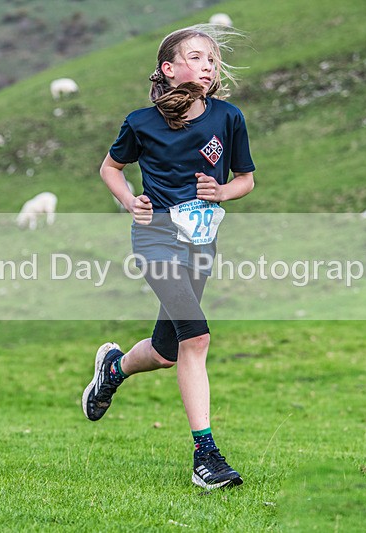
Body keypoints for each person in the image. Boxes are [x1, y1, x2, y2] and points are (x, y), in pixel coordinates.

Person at [82, 24, 255, 490]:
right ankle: (206, 457)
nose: (208, 66)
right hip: (156, 239)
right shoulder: (141, 123)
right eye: (196, 57)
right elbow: (110, 168)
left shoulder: (228, 117)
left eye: (212, 60)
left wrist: (222, 191)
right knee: (196, 339)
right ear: (169, 68)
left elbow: (245, 179)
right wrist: (129, 201)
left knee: (165, 353)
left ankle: (113, 368)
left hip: (201, 243)